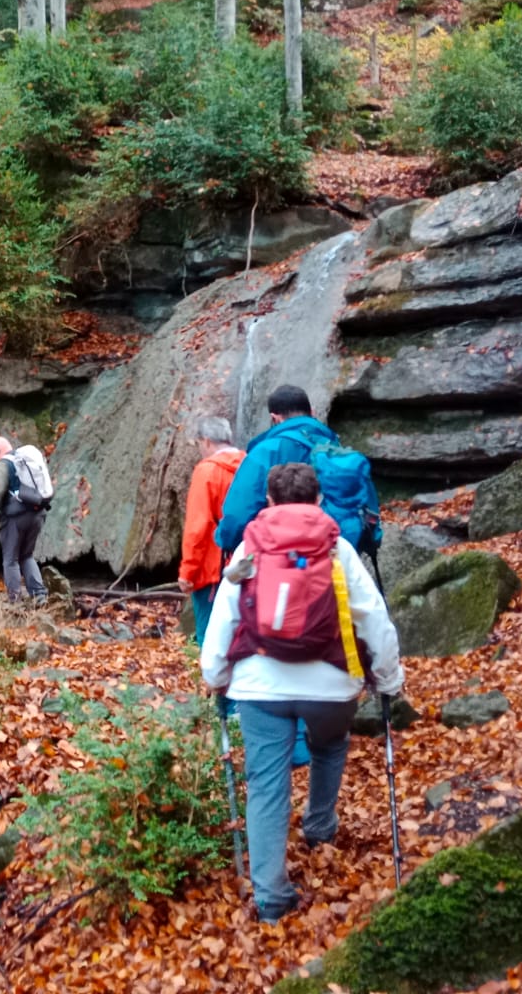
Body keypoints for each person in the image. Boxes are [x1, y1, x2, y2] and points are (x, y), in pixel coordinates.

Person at [200, 463, 404, 925]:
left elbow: (224, 615)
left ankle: (271, 899)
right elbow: (374, 618)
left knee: (267, 784)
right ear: (318, 501)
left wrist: (215, 675)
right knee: (329, 745)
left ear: (269, 501)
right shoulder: (337, 549)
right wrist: (388, 679)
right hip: (332, 684)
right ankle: (319, 825)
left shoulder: (248, 550)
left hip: (259, 684)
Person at [215, 384, 364, 557]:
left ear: (274, 418)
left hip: (283, 554)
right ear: (312, 412)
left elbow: (240, 511)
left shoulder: (266, 452)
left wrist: (227, 540)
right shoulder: (334, 448)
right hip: (333, 549)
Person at [178, 416, 245, 646]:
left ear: (206, 441)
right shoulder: (249, 464)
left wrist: (188, 573)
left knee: (209, 638)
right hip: (245, 564)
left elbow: (197, 527)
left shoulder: (206, 471)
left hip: (213, 570)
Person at [0, 436, 52, 603]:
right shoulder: (26, 461)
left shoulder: (4, 464)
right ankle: (39, 595)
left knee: (10, 559)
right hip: (37, 513)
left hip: (15, 518)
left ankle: (15, 600)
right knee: (27, 555)